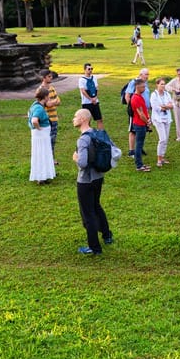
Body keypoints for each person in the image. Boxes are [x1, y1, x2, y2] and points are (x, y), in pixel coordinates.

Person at [71, 109, 113, 255]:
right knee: (96, 206)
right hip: (98, 177)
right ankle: (107, 235)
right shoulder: (97, 133)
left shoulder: (83, 139)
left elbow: (82, 163)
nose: (73, 119)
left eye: (76, 116)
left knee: (88, 214)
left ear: (83, 119)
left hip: (85, 181)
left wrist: (75, 158)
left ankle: (94, 247)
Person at [28, 87, 56, 185]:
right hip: (41, 135)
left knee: (42, 153)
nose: (49, 97)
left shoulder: (35, 105)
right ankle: (41, 177)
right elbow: (34, 120)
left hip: (41, 135)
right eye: (48, 95)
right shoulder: (39, 108)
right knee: (42, 154)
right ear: (44, 97)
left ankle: (43, 176)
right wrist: (39, 128)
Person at [123, 68, 150, 155]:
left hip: (144, 111)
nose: (147, 76)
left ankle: (139, 148)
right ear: (140, 74)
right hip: (136, 111)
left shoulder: (145, 83)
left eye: (148, 74)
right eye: (146, 74)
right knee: (133, 130)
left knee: (142, 130)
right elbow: (127, 96)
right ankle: (131, 150)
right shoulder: (133, 82)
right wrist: (132, 109)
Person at [149, 78, 174, 168]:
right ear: (157, 85)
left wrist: (166, 106)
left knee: (166, 139)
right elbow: (155, 107)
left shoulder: (167, 94)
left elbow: (172, 105)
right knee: (162, 138)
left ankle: (162, 156)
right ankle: (159, 158)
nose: (163, 86)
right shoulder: (154, 95)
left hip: (167, 118)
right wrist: (164, 107)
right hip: (158, 119)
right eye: (161, 84)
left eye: (164, 84)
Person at [38, 69, 61, 161]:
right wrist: (53, 102)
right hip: (46, 119)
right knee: (47, 140)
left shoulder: (52, 88)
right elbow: (47, 104)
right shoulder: (41, 90)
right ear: (44, 78)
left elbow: (59, 101)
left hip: (54, 118)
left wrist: (52, 102)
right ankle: (47, 159)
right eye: (49, 76)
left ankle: (51, 158)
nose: (51, 78)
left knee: (53, 139)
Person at [129, 78, 151, 172]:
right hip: (139, 124)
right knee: (139, 145)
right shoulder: (135, 98)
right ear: (137, 87)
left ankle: (140, 164)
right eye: (143, 87)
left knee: (140, 144)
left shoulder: (139, 96)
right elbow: (140, 114)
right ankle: (139, 165)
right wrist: (147, 122)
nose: (144, 88)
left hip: (141, 123)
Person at [79, 63, 103, 129]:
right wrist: (91, 99)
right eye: (89, 69)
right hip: (86, 103)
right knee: (87, 121)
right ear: (85, 70)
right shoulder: (81, 80)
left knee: (99, 119)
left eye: (91, 69)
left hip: (95, 101)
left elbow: (97, 88)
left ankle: (100, 134)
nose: (90, 70)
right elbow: (83, 91)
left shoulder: (94, 78)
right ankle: (88, 135)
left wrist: (95, 98)